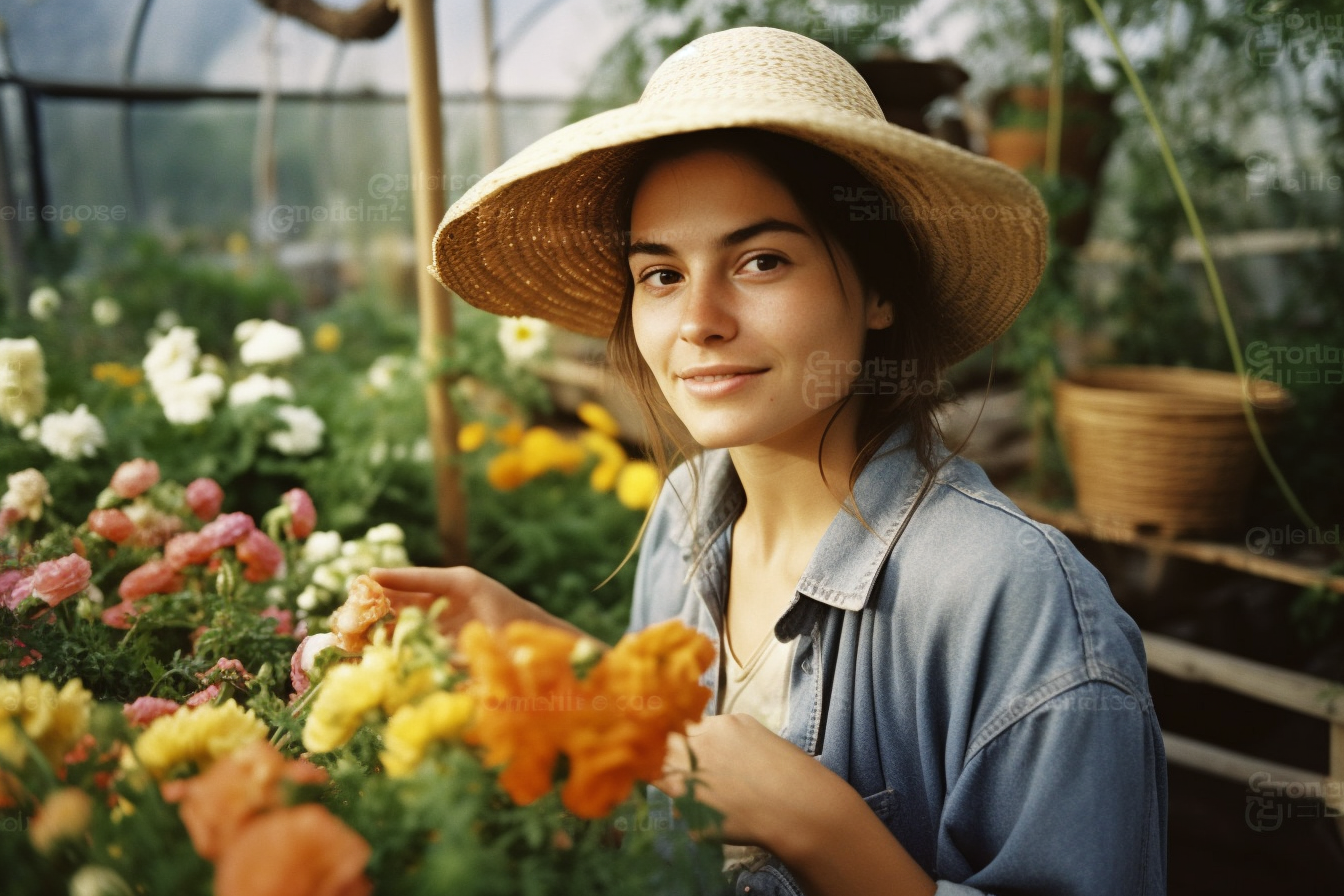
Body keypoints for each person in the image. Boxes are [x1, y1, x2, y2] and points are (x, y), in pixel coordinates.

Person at [373, 26, 1167, 896]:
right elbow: (688, 767)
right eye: (661, 275)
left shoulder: (1013, 602)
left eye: (761, 260)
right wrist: (569, 667)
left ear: (878, 290)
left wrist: (820, 828)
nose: (699, 321)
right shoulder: (685, 513)